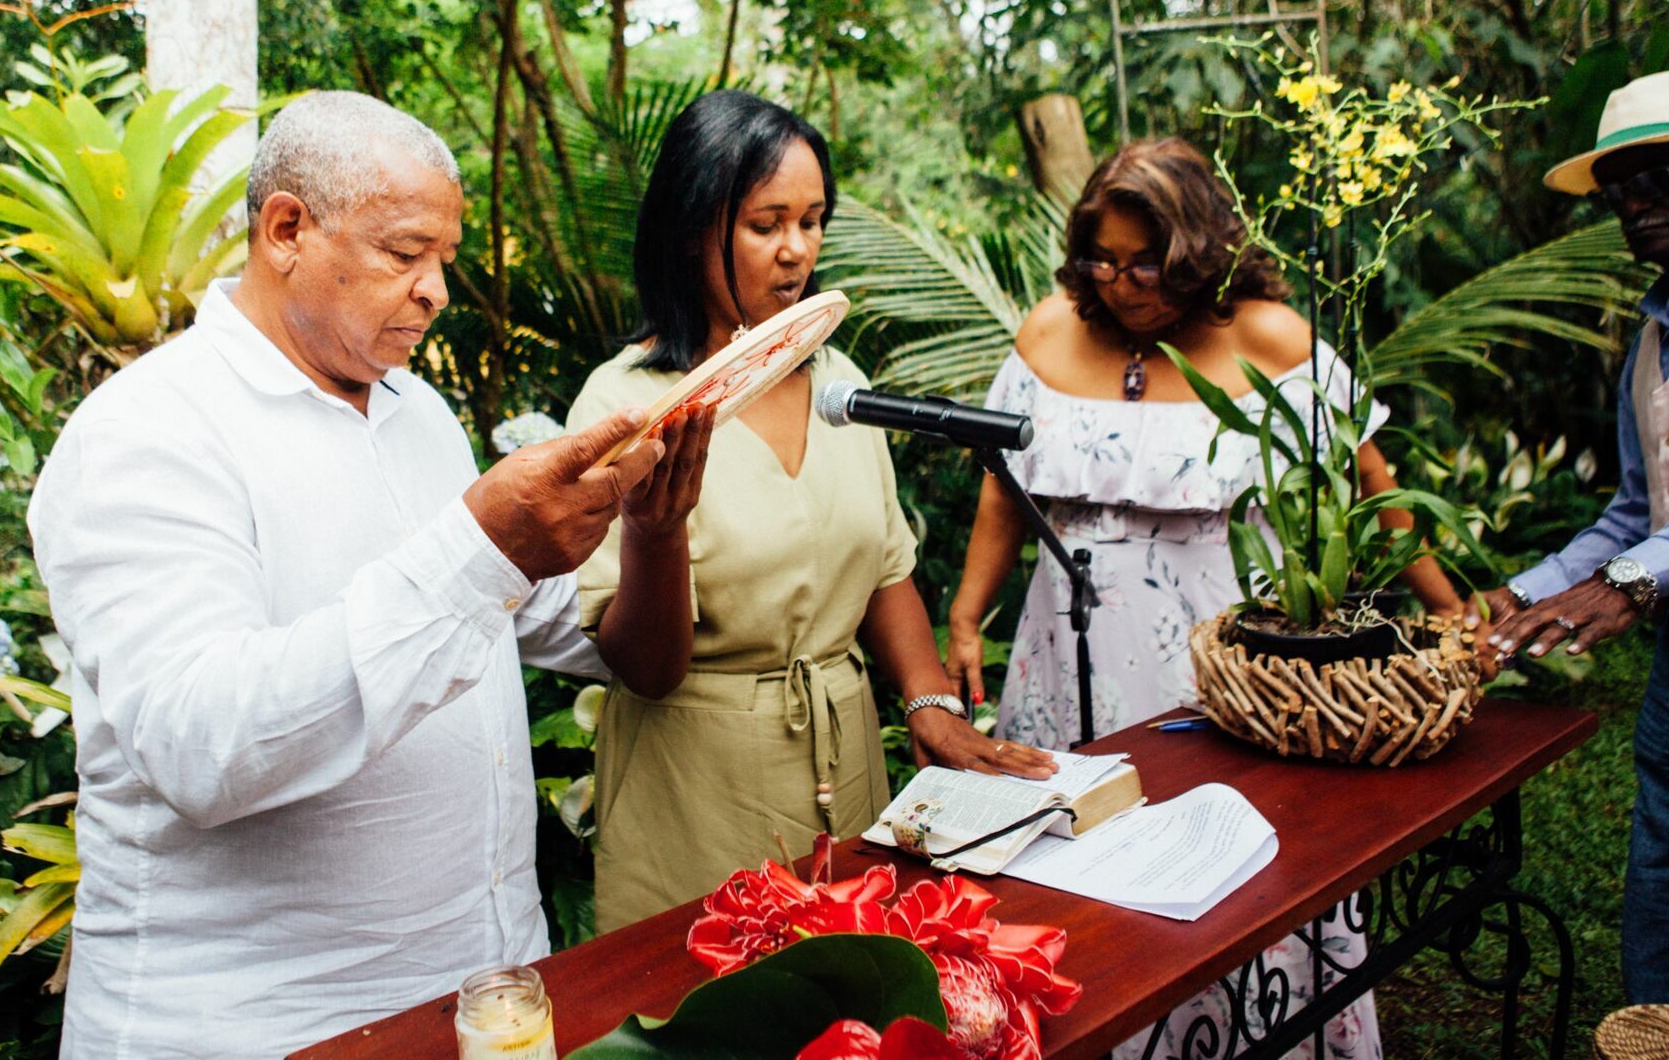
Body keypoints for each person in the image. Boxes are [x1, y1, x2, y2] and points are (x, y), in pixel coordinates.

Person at [28, 92, 683, 1059]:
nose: (436, 292)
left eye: (444, 262)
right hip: (258, 1026)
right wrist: (480, 552)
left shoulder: (422, 419)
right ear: (286, 228)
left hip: (483, 997)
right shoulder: (146, 432)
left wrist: (654, 531)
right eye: (403, 253)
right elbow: (202, 746)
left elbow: (577, 637)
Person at [945, 136, 1465, 1059]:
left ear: (1197, 248)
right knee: (1074, 874)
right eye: (1100, 258)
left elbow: (1374, 489)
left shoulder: (1270, 338)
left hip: (1218, 670)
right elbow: (1002, 489)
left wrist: (1451, 605)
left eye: (1146, 260)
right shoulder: (1047, 330)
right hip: (1064, 659)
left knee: (1223, 875)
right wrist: (963, 613)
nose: (1120, 281)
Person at [566, 90, 1057, 933]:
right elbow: (644, 669)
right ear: (692, 231)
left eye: (813, 220)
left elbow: (884, 568)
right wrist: (655, 533)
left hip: (848, 762)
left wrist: (930, 705)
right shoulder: (623, 406)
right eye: (766, 225)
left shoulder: (840, 383)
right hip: (695, 789)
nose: (796, 251)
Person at [1473, 71, 1669, 1005]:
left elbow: (1641, 555)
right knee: (1662, 860)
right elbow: (1637, 514)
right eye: (1621, 189)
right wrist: (1526, 590)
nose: (1637, 207)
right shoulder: (1652, 338)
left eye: (1658, 179)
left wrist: (1631, 583)